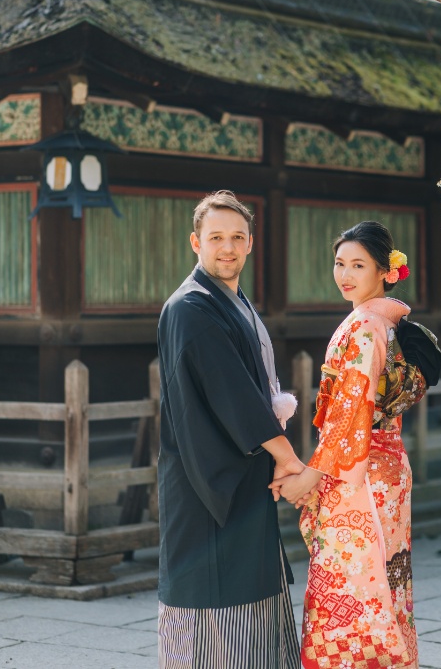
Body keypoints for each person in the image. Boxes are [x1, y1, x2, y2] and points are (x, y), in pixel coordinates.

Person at [272, 220, 441, 669]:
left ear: (386, 272)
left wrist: (310, 475)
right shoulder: (380, 322)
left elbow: (351, 414)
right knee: (383, 585)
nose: (345, 274)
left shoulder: (366, 327)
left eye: (358, 265)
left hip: (361, 473)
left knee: (349, 590)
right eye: (339, 263)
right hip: (384, 467)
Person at [156, 190, 301, 669]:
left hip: (241, 471)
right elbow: (233, 394)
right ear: (195, 242)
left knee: (248, 590)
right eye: (216, 237)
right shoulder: (190, 307)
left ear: (251, 243)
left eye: (237, 237)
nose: (228, 247)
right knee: (207, 599)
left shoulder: (234, 302)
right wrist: (288, 459)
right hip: (207, 477)